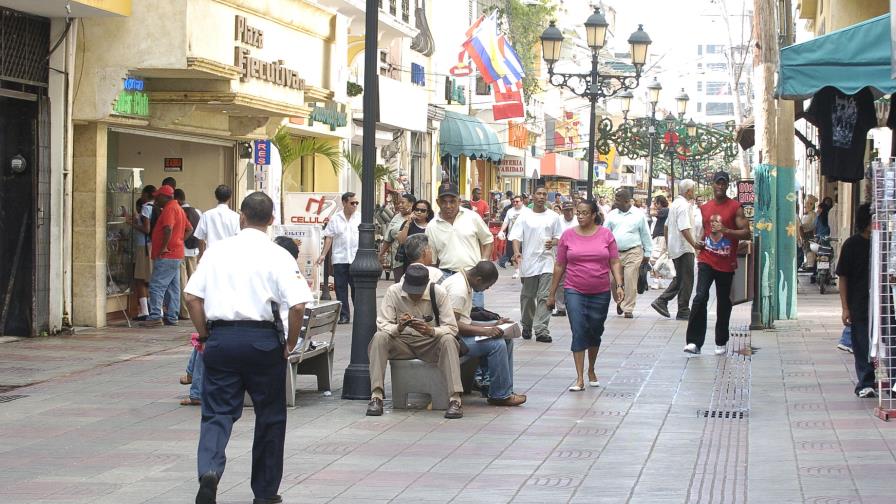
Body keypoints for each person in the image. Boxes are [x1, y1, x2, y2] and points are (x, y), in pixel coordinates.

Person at [183, 192, 313, 504]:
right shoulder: (278, 255)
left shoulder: (216, 252)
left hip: (222, 339)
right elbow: (297, 306)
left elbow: (191, 298)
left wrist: (204, 335)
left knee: (216, 413)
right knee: (270, 415)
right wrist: (290, 343)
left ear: (241, 216)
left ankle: (210, 471)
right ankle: (265, 492)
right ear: (271, 220)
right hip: (263, 341)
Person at [367, 264, 463, 418]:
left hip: (429, 343)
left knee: (449, 340)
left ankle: (455, 399)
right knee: (379, 338)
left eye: (417, 292)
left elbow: (452, 327)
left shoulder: (438, 293)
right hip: (402, 343)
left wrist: (431, 330)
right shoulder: (394, 291)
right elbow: (382, 324)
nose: (414, 296)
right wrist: (398, 327)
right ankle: (376, 396)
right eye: (411, 291)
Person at [547, 200, 624, 392]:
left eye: (584, 213)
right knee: (579, 329)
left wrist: (619, 285)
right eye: (578, 213)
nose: (580, 216)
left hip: (600, 290)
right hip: (574, 289)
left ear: (593, 215)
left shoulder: (606, 235)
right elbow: (559, 265)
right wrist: (551, 293)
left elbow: (614, 261)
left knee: (595, 330)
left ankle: (592, 369)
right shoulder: (567, 236)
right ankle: (580, 377)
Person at [442, 261, 527, 407]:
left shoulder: (464, 281)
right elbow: (453, 325)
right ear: (479, 280)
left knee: (505, 339)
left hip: (458, 335)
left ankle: (504, 389)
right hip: (450, 339)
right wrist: (485, 331)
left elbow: (465, 321)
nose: (486, 289)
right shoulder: (459, 290)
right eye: (487, 285)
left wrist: (493, 325)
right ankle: (500, 395)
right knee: (496, 344)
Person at [684, 171, 752, 355]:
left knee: (723, 302)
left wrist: (726, 230)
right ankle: (694, 342)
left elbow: (747, 233)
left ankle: (721, 340)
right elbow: (703, 231)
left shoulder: (736, 207)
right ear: (713, 185)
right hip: (707, 259)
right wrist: (698, 243)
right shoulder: (705, 208)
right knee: (700, 297)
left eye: (724, 183)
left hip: (726, 262)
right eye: (718, 183)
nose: (721, 186)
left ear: (727, 185)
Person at [426, 182, 493, 308]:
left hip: (473, 275)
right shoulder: (432, 226)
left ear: (459, 201)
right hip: (446, 276)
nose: (448, 206)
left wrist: (483, 262)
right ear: (437, 202)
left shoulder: (472, 217)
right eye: (444, 202)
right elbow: (432, 260)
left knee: (476, 313)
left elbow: (488, 240)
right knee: (450, 316)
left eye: (452, 201)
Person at [509, 186, 562, 342]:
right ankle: (527, 325)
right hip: (529, 262)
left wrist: (553, 242)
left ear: (547, 197)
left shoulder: (553, 216)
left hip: (547, 261)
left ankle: (541, 330)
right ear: (533, 196)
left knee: (544, 296)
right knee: (528, 296)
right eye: (538, 194)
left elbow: (559, 237)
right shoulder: (524, 216)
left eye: (544, 194)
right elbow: (516, 237)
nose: (541, 196)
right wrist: (517, 252)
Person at [836, 203, 875, 398]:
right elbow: (843, 277)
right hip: (859, 303)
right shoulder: (852, 244)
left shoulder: (884, 244)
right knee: (861, 344)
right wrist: (845, 308)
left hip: (883, 304)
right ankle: (866, 382)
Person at [140, 185, 192, 328]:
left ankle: (156, 316)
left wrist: (164, 247)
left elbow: (168, 228)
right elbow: (189, 229)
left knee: (156, 285)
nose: (156, 199)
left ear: (165, 197)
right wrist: (179, 241)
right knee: (173, 287)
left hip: (167, 255)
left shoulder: (170, 208)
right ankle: (172, 316)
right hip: (176, 253)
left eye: (158, 197)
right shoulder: (178, 209)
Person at [652, 180, 698, 321]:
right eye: (694, 190)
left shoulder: (675, 205)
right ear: (689, 191)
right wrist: (694, 244)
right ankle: (681, 308)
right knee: (687, 279)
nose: (695, 193)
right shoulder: (683, 206)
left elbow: (666, 227)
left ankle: (665, 302)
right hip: (684, 248)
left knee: (681, 278)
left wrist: (669, 244)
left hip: (676, 247)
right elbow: (684, 228)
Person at [604, 190, 652, 319]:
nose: (615, 202)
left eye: (618, 200)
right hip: (615, 254)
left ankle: (628, 308)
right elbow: (605, 233)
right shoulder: (612, 215)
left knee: (630, 277)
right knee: (613, 281)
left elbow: (645, 234)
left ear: (627, 201)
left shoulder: (638, 215)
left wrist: (648, 252)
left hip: (633, 251)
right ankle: (620, 301)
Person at [318, 192, 360, 324]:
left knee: (356, 288)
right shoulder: (335, 219)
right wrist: (323, 254)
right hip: (340, 259)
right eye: (352, 203)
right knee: (340, 289)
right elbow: (329, 237)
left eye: (356, 203)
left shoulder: (360, 218)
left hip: (355, 259)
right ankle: (344, 315)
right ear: (344, 203)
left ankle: (360, 314)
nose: (355, 205)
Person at [129, 185, 156, 321]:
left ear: (146, 194)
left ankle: (145, 311)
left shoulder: (146, 207)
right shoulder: (157, 207)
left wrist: (132, 224)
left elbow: (146, 229)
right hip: (152, 246)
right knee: (149, 279)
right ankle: (152, 309)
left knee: (140, 279)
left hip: (143, 246)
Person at [174, 189, 202, 320]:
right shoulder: (198, 212)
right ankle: (196, 310)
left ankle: (184, 312)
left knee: (182, 283)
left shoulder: (179, 212)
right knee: (194, 284)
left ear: (178, 200)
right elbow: (201, 235)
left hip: (181, 251)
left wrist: (179, 241)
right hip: (194, 251)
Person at [193, 184, 241, 258]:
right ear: (230, 197)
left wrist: (201, 257)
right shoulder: (236, 217)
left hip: (211, 257)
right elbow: (238, 239)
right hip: (229, 257)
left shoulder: (206, 215)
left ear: (216, 197)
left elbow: (200, 239)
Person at [379, 192, 415, 283]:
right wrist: (381, 254)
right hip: (399, 259)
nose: (399, 205)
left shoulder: (418, 217)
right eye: (399, 203)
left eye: (403, 203)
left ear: (411, 204)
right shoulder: (396, 217)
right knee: (399, 286)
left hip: (414, 259)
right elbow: (388, 238)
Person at [551, 202, 579, 317]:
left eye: (570, 210)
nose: (569, 212)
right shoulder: (558, 220)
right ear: (563, 211)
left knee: (576, 281)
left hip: (576, 255)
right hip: (560, 255)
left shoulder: (578, 220)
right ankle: (561, 307)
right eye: (566, 210)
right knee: (559, 281)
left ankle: (575, 305)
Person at [497, 196, 526, 271]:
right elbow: (506, 222)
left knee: (522, 253)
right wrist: (501, 231)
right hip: (511, 236)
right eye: (514, 202)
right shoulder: (510, 211)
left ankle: (520, 268)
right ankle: (514, 268)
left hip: (524, 237)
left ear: (522, 202)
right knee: (510, 252)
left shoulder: (527, 211)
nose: (515, 203)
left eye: (517, 201)